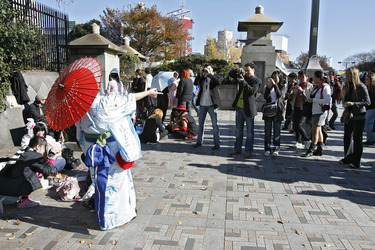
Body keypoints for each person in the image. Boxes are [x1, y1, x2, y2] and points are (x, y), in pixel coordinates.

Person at [76, 88, 161, 230]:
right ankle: (114, 217)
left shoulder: (80, 105)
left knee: (98, 180)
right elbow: (131, 97)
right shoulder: (107, 102)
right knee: (116, 182)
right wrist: (148, 92)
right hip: (111, 149)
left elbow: (79, 132)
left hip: (93, 150)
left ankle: (102, 214)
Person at [0, 136, 59, 208]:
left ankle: (23, 199)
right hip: (10, 193)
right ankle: (24, 200)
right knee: (37, 174)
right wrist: (54, 158)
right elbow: (46, 171)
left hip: (4, 186)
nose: (44, 151)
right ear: (38, 147)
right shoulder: (33, 155)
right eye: (44, 148)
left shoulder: (24, 150)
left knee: (32, 171)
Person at [339, 67, 370, 168]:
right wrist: (344, 103)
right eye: (346, 74)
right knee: (347, 137)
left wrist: (354, 104)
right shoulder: (347, 86)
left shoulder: (361, 86)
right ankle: (348, 157)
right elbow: (343, 99)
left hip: (359, 115)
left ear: (355, 75)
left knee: (357, 138)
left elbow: (367, 102)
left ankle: (356, 160)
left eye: (349, 74)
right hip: (349, 115)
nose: (347, 76)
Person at [228, 62, 261, 157]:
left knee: (250, 132)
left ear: (253, 69)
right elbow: (231, 74)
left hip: (249, 109)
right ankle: (237, 149)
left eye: (248, 70)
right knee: (238, 130)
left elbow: (251, 91)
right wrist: (237, 70)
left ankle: (248, 151)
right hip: (239, 107)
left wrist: (243, 82)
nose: (246, 72)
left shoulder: (257, 80)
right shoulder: (244, 76)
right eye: (245, 70)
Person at [301, 71, 331, 157]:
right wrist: (306, 89)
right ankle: (320, 149)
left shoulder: (325, 87)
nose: (312, 78)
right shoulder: (315, 87)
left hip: (320, 112)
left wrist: (314, 100)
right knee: (319, 131)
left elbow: (328, 100)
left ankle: (311, 149)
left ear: (318, 78)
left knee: (315, 131)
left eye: (314, 76)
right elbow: (309, 97)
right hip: (314, 111)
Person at [193, 64, 222, 150]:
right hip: (202, 104)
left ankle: (217, 143)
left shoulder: (215, 76)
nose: (207, 70)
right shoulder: (203, 77)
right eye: (206, 69)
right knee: (201, 124)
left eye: (209, 69)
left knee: (215, 124)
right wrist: (200, 74)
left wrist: (210, 74)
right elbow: (195, 83)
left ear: (212, 69)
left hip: (212, 104)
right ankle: (199, 141)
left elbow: (218, 82)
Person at [263, 71, 287, 156]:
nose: (274, 79)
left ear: (280, 78)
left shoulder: (283, 87)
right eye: (273, 77)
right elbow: (265, 96)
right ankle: (267, 148)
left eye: (276, 77)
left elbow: (280, 95)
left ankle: (276, 148)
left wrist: (275, 85)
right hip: (269, 110)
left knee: (277, 131)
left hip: (278, 111)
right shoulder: (269, 86)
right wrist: (268, 88)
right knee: (267, 131)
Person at [289, 70, 313, 149]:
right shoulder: (297, 84)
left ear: (307, 77)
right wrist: (291, 90)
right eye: (300, 76)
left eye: (303, 76)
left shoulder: (309, 85)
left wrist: (302, 90)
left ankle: (307, 139)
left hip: (304, 108)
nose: (301, 78)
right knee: (295, 125)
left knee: (299, 125)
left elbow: (308, 98)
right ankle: (298, 141)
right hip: (296, 107)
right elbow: (290, 97)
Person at [364, 73, 375, 145]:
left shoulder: (373, 88)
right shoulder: (368, 87)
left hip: (372, 108)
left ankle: (371, 139)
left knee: (368, 123)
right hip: (369, 108)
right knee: (368, 123)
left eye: (367, 79)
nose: (365, 80)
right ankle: (370, 138)